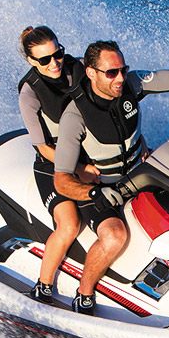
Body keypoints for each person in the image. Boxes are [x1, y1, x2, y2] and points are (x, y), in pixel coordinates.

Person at [54, 40, 169, 315]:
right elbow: (61, 179)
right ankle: (84, 293)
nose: (120, 78)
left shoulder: (133, 84)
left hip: (142, 174)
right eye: (111, 72)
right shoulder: (74, 117)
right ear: (91, 73)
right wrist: (94, 193)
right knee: (114, 236)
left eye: (123, 70)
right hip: (103, 192)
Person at [18, 26, 98, 304]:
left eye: (58, 54)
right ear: (31, 60)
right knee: (69, 225)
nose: (54, 63)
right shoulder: (29, 94)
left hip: (89, 158)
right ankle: (43, 286)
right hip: (53, 165)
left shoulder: (79, 68)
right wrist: (78, 169)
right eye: (44, 60)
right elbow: (42, 147)